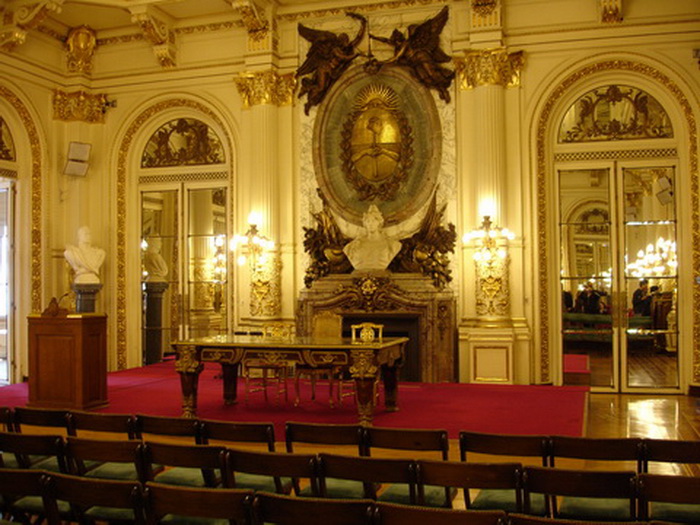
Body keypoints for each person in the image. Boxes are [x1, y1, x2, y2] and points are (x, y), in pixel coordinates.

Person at [343, 204, 401, 271]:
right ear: (365, 224)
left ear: (379, 223)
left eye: (373, 221)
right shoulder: (352, 246)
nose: (370, 224)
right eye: (368, 221)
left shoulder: (392, 245)